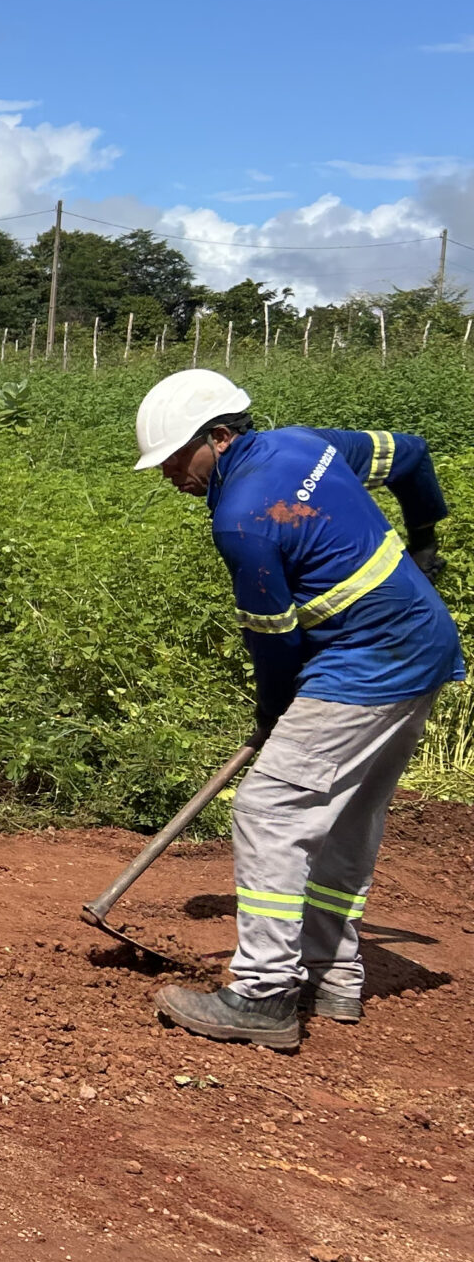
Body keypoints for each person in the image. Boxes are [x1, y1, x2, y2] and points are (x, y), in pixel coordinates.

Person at [134, 367, 462, 1051]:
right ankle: (333, 976)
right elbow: (413, 455)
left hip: (371, 660)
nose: (168, 474)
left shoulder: (241, 520)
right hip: (423, 645)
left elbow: (274, 641)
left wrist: (273, 714)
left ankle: (263, 994)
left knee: (269, 808)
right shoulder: (307, 444)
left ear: (220, 438)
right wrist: (425, 539)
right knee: (347, 814)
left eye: (175, 457)